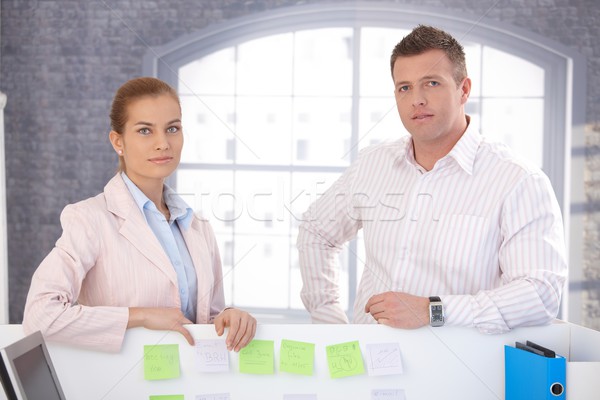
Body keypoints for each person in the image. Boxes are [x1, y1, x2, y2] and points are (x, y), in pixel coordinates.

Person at [297, 25, 567, 333]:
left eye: (432, 83)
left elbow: (539, 294)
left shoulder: (518, 180)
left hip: (462, 370)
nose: (417, 100)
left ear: (463, 89)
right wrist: (329, 325)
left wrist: (434, 310)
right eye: (405, 88)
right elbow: (315, 231)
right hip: (367, 364)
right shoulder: (373, 165)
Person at [23, 77, 256, 352]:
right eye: (145, 131)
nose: (163, 143)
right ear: (117, 141)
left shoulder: (197, 226)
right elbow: (40, 315)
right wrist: (141, 316)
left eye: (172, 128)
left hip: (192, 387)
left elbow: (206, 319)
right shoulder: (90, 219)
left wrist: (229, 318)